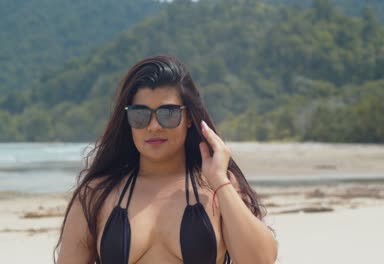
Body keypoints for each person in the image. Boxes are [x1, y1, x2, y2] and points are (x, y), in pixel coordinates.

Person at [55, 55, 278, 264]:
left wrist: (220, 181)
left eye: (168, 113)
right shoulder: (97, 194)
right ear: (128, 120)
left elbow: (260, 260)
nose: (154, 126)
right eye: (140, 114)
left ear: (189, 117)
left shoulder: (217, 188)